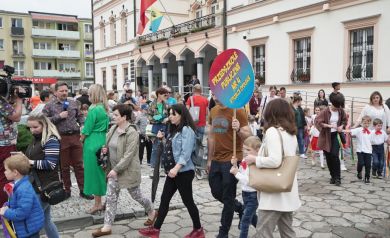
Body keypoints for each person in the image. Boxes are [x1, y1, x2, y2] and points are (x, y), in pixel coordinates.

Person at [139, 104, 205, 238]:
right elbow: (171, 150)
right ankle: (156, 230)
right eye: (169, 114)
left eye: (173, 114)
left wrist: (176, 168)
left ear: (182, 115)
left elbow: (185, 153)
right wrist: (162, 139)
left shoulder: (187, 130)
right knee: (164, 199)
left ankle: (198, 230)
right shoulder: (174, 130)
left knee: (188, 201)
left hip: (183, 172)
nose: (170, 116)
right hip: (173, 172)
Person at [92, 104, 155, 237]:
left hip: (127, 171)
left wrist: (116, 170)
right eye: (113, 114)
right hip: (113, 171)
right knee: (110, 198)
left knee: (137, 196)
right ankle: (107, 226)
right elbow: (108, 144)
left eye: (116, 115)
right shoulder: (113, 128)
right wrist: (105, 149)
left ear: (124, 117)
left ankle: (152, 212)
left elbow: (129, 155)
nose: (112, 117)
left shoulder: (132, 133)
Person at [245, 98, 301, 238]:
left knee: (263, 233)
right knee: (287, 233)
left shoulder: (272, 132)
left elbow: (275, 160)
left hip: (273, 194)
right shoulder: (290, 133)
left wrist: (254, 159)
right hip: (286, 190)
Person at [207, 98, 251, 238]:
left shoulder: (237, 110)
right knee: (216, 191)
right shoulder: (213, 111)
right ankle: (240, 208)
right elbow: (212, 137)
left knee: (228, 195)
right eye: (213, 93)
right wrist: (209, 159)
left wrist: (238, 129)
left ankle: (223, 232)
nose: (214, 97)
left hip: (232, 159)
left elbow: (249, 137)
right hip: (215, 159)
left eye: (217, 93)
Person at [43, 82, 93, 200]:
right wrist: (59, 116)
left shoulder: (73, 102)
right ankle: (67, 190)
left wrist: (82, 124)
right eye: (61, 91)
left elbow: (80, 116)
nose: (64, 93)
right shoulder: (49, 105)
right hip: (61, 137)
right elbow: (44, 121)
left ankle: (83, 190)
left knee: (79, 165)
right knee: (64, 167)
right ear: (55, 92)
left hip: (75, 137)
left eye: (66, 90)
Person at [25, 113, 61, 238]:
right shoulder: (36, 139)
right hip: (38, 185)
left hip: (46, 186)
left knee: (34, 222)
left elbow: (51, 164)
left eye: (35, 127)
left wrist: (30, 162)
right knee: (46, 221)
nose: (32, 130)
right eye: (30, 127)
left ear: (44, 125)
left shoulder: (51, 139)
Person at [80, 84, 110, 214]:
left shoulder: (93, 109)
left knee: (93, 174)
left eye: (90, 93)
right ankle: (103, 202)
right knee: (101, 172)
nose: (88, 96)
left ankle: (97, 204)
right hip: (102, 141)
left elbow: (87, 129)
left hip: (92, 143)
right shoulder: (104, 108)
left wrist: (81, 139)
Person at [0, 154, 44, 238]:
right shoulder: (18, 185)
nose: (4, 172)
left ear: (15, 172)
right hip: (26, 228)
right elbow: (17, 203)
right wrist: (7, 206)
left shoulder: (23, 189)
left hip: (28, 231)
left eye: (6, 170)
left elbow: (21, 213)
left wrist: (5, 212)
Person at [230, 136, 261, 238]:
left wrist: (236, 174)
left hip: (253, 195)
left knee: (245, 220)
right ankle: (263, 232)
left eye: (248, 150)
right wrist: (235, 165)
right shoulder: (244, 160)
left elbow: (250, 181)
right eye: (244, 149)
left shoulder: (256, 163)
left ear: (257, 151)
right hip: (245, 194)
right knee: (252, 217)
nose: (245, 151)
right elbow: (240, 172)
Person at [315, 93, 347, 186]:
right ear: (332, 103)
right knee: (328, 157)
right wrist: (327, 126)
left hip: (335, 136)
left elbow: (345, 120)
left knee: (334, 155)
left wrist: (341, 126)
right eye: (337, 105)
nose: (338, 108)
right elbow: (317, 121)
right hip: (326, 137)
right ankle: (332, 176)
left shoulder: (341, 111)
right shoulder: (325, 111)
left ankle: (338, 178)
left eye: (340, 106)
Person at [0, 86, 23, 205]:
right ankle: (4, 208)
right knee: (5, 176)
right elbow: (16, 116)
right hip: (4, 144)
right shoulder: (1, 102)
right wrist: (19, 100)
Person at [147, 87, 170, 169]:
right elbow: (149, 117)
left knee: (165, 147)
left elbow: (170, 115)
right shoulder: (152, 104)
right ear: (159, 94)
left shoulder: (167, 104)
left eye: (167, 94)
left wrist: (167, 119)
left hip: (165, 127)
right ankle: (154, 166)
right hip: (156, 127)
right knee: (156, 147)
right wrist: (160, 117)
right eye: (165, 94)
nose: (166, 96)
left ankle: (164, 166)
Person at [347, 116, 373, 183]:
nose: (366, 125)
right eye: (364, 123)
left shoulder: (371, 132)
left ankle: (367, 177)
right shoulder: (358, 130)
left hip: (368, 151)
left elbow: (376, 139)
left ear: (370, 123)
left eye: (368, 123)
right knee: (361, 163)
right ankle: (359, 171)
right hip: (360, 150)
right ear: (362, 123)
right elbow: (350, 131)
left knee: (368, 165)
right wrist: (343, 130)